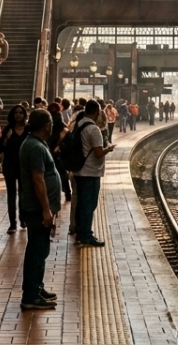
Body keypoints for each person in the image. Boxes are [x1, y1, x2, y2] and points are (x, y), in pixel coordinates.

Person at [19, 108, 61, 310]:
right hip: (37, 209)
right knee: (37, 250)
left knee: (39, 249)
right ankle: (31, 295)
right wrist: (46, 209)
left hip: (39, 207)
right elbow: (38, 180)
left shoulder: (36, 143)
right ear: (46, 126)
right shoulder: (35, 147)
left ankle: (37, 287)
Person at [74, 100, 114, 247]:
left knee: (81, 204)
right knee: (89, 205)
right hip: (90, 172)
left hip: (79, 170)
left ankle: (80, 233)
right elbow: (98, 152)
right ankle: (86, 236)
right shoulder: (94, 129)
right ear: (97, 112)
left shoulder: (79, 124)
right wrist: (108, 149)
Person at [0, 104, 30, 233]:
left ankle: (23, 219)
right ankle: (12, 223)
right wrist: (5, 139)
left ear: (24, 115)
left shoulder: (29, 130)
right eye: (16, 113)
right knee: (11, 195)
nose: (18, 115)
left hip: (25, 167)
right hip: (10, 166)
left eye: (20, 113)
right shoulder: (8, 130)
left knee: (23, 194)